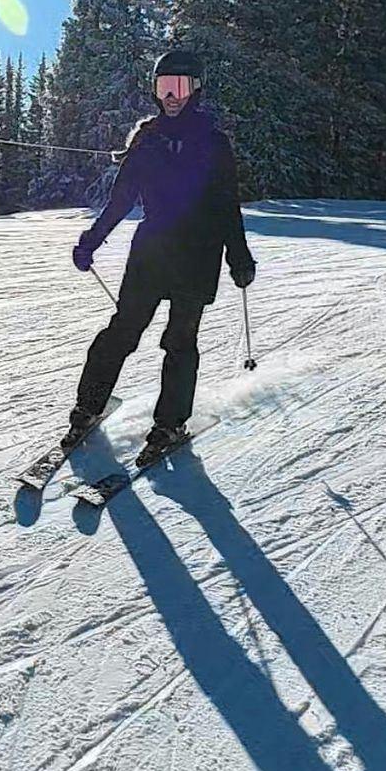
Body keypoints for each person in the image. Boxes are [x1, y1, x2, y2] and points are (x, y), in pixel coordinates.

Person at [68, 48, 256, 465]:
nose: (171, 96)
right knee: (123, 330)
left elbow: (227, 205)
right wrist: (92, 239)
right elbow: (120, 199)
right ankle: (88, 406)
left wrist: (239, 257)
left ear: (196, 90)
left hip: (199, 253)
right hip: (151, 250)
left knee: (180, 340)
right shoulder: (147, 140)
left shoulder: (214, 143)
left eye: (180, 86)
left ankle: (170, 423)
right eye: (163, 86)